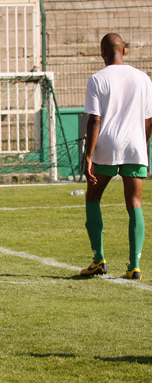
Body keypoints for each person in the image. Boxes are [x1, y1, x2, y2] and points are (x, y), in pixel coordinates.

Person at [80, 33, 152, 280]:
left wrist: (89, 156)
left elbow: (94, 120)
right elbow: (149, 118)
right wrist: (142, 144)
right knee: (135, 203)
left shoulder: (97, 79)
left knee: (93, 197)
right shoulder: (143, 79)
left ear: (102, 52)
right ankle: (134, 266)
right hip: (135, 145)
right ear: (125, 50)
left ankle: (98, 259)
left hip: (106, 146)